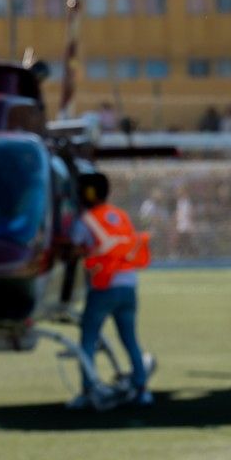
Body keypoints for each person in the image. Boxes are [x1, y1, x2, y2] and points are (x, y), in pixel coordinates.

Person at [69, 172, 153, 408]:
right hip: (129, 285)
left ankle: (88, 389)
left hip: (105, 285)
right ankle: (142, 388)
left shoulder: (87, 220)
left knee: (88, 337)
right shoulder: (120, 215)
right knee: (129, 339)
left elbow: (76, 248)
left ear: (88, 193)